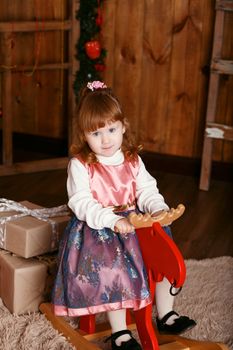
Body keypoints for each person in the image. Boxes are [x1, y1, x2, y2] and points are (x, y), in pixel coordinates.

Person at [52, 81, 196, 350]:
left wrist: (156, 208)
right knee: (114, 270)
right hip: (101, 228)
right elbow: (81, 202)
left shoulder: (131, 158)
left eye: (111, 129)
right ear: (84, 135)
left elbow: (146, 189)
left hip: (137, 222)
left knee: (163, 254)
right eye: (96, 133)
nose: (106, 139)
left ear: (123, 126)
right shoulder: (81, 164)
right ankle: (120, 332)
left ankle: (165, 313)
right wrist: (113, 221)